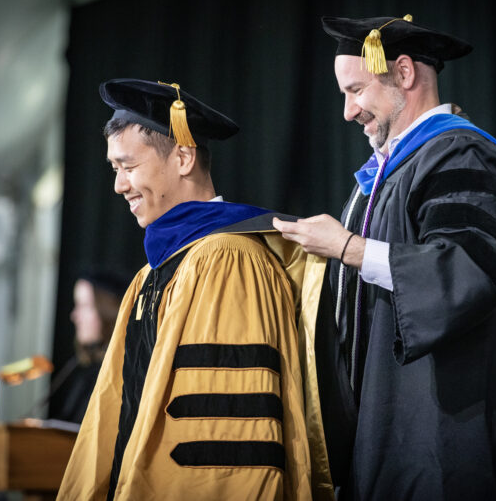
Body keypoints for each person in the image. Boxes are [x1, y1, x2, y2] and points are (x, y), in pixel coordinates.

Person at [273, 14, 496, 500]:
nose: (348, 111)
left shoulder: (462, 154)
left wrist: (346, 247)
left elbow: (468, 271)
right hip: (391, 432)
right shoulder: (387, 174)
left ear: (404, 73)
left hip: (448, 439)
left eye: (356, 90)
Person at [58, 79, 352, 500]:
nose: (119, 186)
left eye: (129, 167)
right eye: (114, 169)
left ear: (183, 156)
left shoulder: (230, 260)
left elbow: (227, 436)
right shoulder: (151, 276)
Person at [51, 270, 129, 424]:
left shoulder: (125, 372)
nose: (74, 316)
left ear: (108, 310)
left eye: (84, 306)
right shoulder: (82, 370)